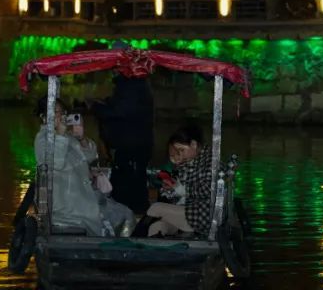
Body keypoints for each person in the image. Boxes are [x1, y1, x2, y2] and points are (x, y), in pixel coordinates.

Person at [34, 96, 133, 237]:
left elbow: (90, 156)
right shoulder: (43, 139)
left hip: (85, 198)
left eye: (63, 112)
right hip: (68, 207)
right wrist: (61, 135)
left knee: (126, 216)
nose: (62, 116)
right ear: (44, 118)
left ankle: (120, 247)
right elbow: (55, 163)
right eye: (56, 112)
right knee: (122, 219)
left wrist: (82, 139)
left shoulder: (67, 136)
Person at [91, 68, 154, 215]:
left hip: (131, 146)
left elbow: (121, 111)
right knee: (130, 183)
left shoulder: (130, 84)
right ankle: (131, 215)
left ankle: (132, 218)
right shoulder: (133, 83)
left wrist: (96, 107)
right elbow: (121, 106)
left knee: (129, 186)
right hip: (132, 145)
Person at [143, 124, 217, 237]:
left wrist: (179, 189)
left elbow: (208, 190)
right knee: (157, 227)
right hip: (185, 211)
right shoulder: (190, 161)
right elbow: (181, 190)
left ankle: (136, 239)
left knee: (155, 208)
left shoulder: (210, 161)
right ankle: (152, 245)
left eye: (182, 150)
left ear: (194, 145)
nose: (180, 155)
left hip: (201, 216)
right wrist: (172, 188)